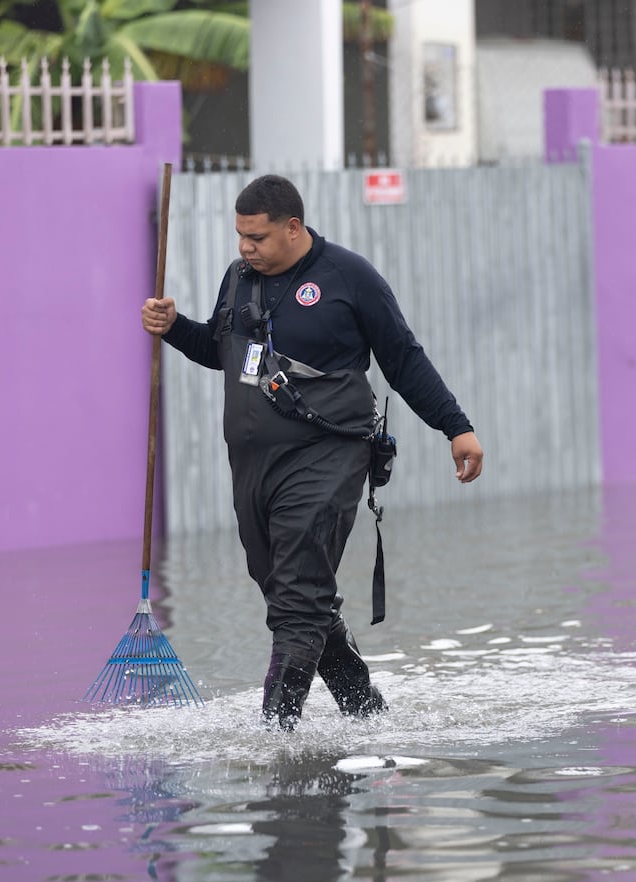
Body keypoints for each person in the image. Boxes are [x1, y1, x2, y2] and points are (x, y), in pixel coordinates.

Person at [141, 174, 483, 731]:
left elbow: (403, 357)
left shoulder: (348, 277)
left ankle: (275, 738)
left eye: (257, 237)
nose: (245, 248)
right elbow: (222, 352)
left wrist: (456, 427)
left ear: (293, 228)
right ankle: (366, 714)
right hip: (254, 468)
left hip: (328, 456)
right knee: (290, 591)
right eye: (239, 236)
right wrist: (174, 327)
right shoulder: (239, 278)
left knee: (297, 598)